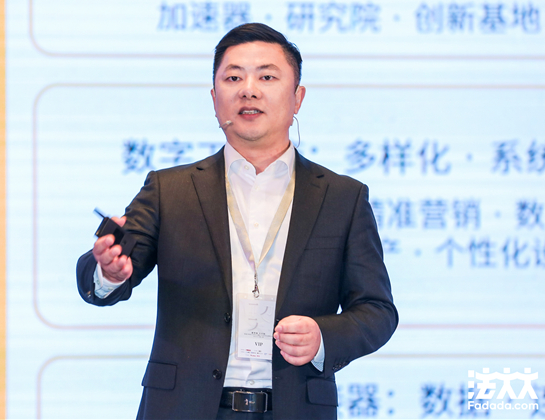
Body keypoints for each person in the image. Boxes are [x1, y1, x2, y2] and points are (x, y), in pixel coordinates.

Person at [77, 23, 397, 420]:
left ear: (297, 98)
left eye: (267, 77)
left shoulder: (342, 198)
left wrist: (323, 338)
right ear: (214, 99)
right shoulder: (170, 190)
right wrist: (108, 272)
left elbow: (377, 310)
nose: (249, 90)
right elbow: (100, 277)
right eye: (233, 78)